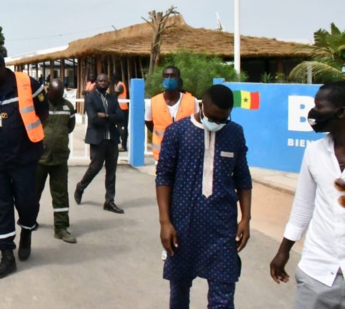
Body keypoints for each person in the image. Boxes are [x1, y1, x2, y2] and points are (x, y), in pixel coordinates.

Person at [156, 84, 252, 309]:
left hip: (222, 228)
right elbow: (163, 177)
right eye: (213, 117)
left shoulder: (234, 133)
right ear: (202, 106)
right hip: (183, 225)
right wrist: (165, 222)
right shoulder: (177, 132)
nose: (217, 123)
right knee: (179, 290)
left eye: (223, 119)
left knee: (223, 295)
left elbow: (243, 178)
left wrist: (246, 218)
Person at [269, 81, 345, 308]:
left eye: (319, 107)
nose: (313, 113)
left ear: (341, 112)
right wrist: (283, 252)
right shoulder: (314, 152)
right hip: (318, 270)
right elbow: (303, 206)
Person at [0, 50, 49, 279]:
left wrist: (25, 138)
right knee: (0, 206)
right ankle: (7, 255)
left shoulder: (28, 83)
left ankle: (26, 230)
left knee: (27, 202)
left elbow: (43, 112)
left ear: (1, 65)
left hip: (25, 158)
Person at [73, 73, 125, 214]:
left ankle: (109, 201)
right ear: (96, 82)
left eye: (105, 81)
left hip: (112, 139)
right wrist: (111, 119)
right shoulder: (90, 97)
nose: (102, 83)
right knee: (95, 167)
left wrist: (106, 115)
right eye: (100, 81)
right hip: (97, 139)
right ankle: (80, 187)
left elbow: (121, 117)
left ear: (108, 83)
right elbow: (93, 119)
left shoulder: (112, 98)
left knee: (111, 172)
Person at [36, 78, 77, 243]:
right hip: (40, 158)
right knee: (33, 193)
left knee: (60, 194)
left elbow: (70, 127)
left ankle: (60, 228)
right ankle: (29, 221)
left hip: (60, 158)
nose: (58, 98)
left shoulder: (68, 107)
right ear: (48, 91)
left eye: (61, 94)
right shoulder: (40, 105)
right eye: (55, 94)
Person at [145, 66, 198, 164]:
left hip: (186, 156)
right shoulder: (152, 102)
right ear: (162, 79)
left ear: (179, 80)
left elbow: (198, 125)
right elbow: (149, 123)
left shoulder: (192, 101)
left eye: (172, 76)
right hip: (162, 156)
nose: (169, 79)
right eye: (166, 76)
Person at [112, 73, 129, 152]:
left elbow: (115, 95)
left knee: (122, 127)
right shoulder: (118, 84)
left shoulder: (120, 85)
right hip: (120, 108)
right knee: (119, 127)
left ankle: (124, 146)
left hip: (123, 108)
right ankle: (120, 144)